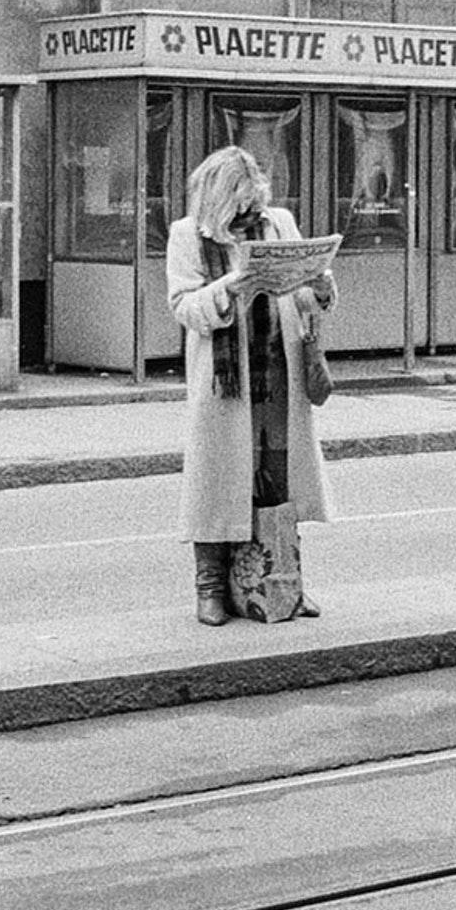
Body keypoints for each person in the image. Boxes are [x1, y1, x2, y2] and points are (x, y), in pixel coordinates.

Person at [166, 145, 336, 626]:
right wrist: (231, 287)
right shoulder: (187, 234)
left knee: (277, 480)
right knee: (219, 480)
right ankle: (211, 588)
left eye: (255, 201)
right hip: (226, 382)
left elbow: (304, 291)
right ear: (219, 201)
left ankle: (284, 581)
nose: (251, 211)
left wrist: (320, 285)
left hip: (278, 375)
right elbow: (183, 307)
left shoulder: (277, 222)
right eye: (242, 204)